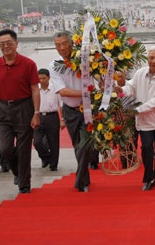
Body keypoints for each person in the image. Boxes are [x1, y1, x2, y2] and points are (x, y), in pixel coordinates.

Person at [0, 29, 40, 194]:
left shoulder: (28, 64)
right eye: (2, 44)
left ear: (16, 43)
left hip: (24, 107)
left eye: (9, 43)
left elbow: (35, 90)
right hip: (3, 109)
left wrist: (36, 113)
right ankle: (17, 172)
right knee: (5, 149)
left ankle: (24, 184)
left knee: (24, 150)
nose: (6, 46)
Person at [117, 46, 155, 191]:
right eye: (151, 58)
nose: (153, 61)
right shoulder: (140, 73)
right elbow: (130, 88)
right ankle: (149, 178)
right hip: (144, 122)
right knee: (147, 148)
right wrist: (120, 90)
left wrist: (135, 111)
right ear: (147, 58)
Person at [49, 31, 95, 192]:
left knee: (84, 145)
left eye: (64, 43)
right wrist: (87, 93)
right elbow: (62, 91)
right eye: (57, 45)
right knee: (77, 146)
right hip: (69, 110)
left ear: (72, 43)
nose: (61, 48)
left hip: (88, 109)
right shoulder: (55, 65)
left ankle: (80, 182)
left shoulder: (86, 59)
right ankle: (85, 177)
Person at [34, 68, 65, 171]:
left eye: (44, 78)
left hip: (52, 116)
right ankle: (45, 157)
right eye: (39, 78)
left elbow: (61, 105)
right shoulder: (35, 90)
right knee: (37, 142)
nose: (41, 80)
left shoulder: (55, 89)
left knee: (53, 142)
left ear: (49, 78)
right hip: (39, 116)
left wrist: (62, 119)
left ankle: (53, 164)